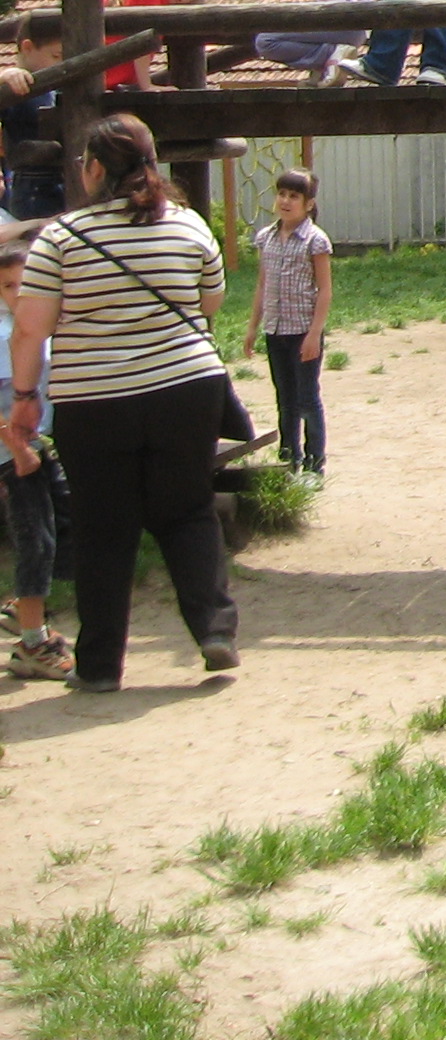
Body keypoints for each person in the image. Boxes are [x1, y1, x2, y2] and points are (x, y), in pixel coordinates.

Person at [8, 114, 237, 689]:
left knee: (103, 528)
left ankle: (100, 666)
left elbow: (31, 329)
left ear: (91, 170)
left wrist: (26, 398)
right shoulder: (188, 224)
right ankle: (214, 630)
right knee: (188, 510)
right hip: (187, 387)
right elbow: (210, 302)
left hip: (94, 399)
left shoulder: (61, 239)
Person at [0, 224, 72, 680]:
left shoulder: (37, 327)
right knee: (36, 540)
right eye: (8, 286)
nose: (18, 293)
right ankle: (32, 643)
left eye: (25, 283)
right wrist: (16, 447)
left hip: (39, 445)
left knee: (67, 524)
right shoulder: (4, 336)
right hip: (14, 455)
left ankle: (20, 608)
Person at [240, 169, 332, 477]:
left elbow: (324, 290)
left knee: (307, 398)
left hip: (302, 331)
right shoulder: (266, 238)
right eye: (281, 194)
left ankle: (314, 463)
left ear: (308, 204)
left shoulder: (315, 241)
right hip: (275, 330)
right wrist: (253, 327)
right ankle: (288, 460)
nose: (286, 201)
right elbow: (262, 285)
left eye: (294, 196)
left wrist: (314, 334)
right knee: (285, 399)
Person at [2, 17, 68, 220]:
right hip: (32, 185)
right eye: (56, 55)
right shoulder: (15, 87)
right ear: (28, 48)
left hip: (64, 178)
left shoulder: (60, 85)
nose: (62, 63)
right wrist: (5, 77)